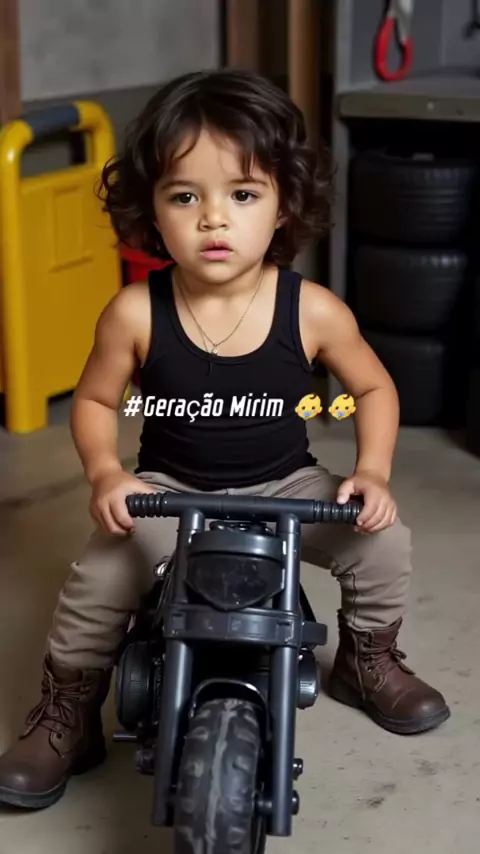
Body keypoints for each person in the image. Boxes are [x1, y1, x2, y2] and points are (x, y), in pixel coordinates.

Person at [0, 69, 450, 811]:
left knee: (383, 542)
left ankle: (367, 659)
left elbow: (374, 388)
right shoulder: (135, 311)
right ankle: (69, 712)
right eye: (185, 197)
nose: (214, 219)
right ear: (151, 208)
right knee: (98, 581)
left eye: (242, 195)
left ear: (283, 205)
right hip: (170, 494)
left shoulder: (312, 310)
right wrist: (107, 472)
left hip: (287, 485)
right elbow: (95, 400)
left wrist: (371, 470)